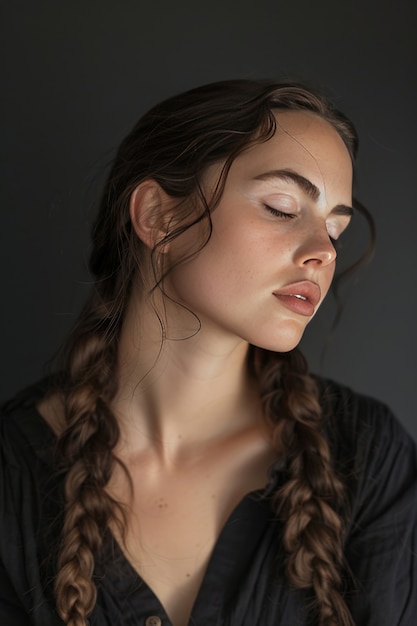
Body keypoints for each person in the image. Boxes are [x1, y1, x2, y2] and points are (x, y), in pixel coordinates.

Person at [0, 80, 416, 626]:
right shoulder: (11, 477)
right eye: (282, 207)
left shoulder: (366, 456)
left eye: (335, 230)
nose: (322, 252)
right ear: (157, 216)